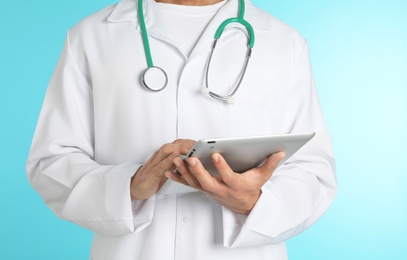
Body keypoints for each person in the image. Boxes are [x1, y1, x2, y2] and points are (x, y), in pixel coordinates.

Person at [26, 0, 337, 259]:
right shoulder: (91, 36)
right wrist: (130, 186)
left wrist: (252, 203)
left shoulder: (284, 42)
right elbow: (52, 162)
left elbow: (313, 170)